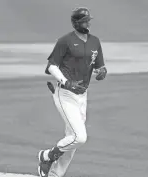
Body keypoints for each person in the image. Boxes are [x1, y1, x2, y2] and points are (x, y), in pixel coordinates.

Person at [38, 7, 107, 177]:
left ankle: (54, 174)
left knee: (72, 138)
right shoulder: (65, 41)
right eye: (84, 20)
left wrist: (102, 71)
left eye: (88, 20)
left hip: (82, 96)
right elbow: (51, 66)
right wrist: (65, 81)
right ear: (76, 23)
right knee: (79, 137)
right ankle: (46, 156)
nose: (88, 23)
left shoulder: (95, 41)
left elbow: (99, 66)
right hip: (65, 94)